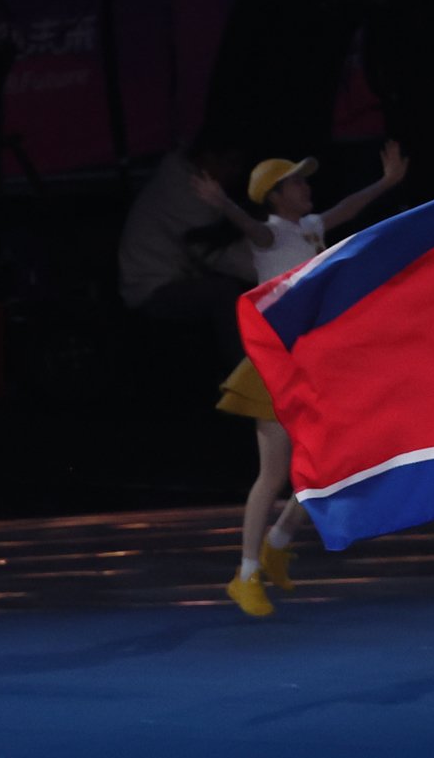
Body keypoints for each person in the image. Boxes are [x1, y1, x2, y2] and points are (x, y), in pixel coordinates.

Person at [203, 142, 408, 619]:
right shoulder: (271, 235)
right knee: (273, 474)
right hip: (275, 365)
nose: (305, 187)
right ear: (275, 196)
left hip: (313, 363)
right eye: (295, 182)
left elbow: (347, 209)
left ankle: (277, 543)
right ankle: (245, 574)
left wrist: (385, 183)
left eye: (303, 180)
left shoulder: (310, 227)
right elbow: (249, 225)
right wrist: (223, 203)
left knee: (329, 463)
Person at [118, 136, 253, 364]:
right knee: (224, 293)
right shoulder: (183, 191)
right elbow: (214, 253)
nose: (236, 171)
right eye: (230, 163)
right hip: (151, 288)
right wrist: (270, 271)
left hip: (174, 277)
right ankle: (244, 370)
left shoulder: (191, 182)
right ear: (209, 158)